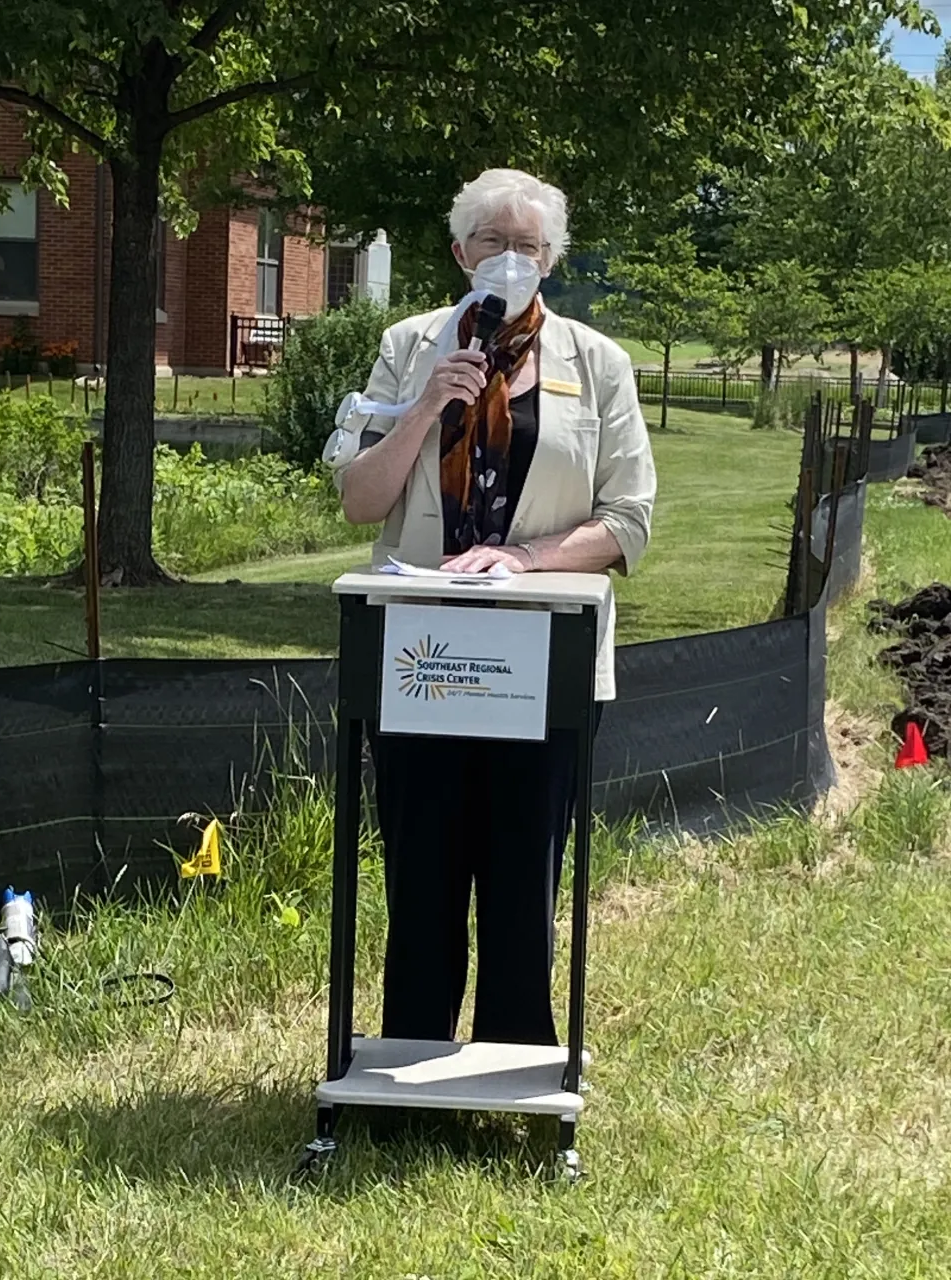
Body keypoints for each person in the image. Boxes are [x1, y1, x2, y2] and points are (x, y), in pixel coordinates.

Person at [326, 168, 656, 1047]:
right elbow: (361, 500)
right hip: (420, 658)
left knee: (522, 879)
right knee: (422, 874)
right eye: (492, 244)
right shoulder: (408, 345)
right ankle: (408, 1060)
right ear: (459, 252)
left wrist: (523, 559)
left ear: (551, 259)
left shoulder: (599, 363)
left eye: (528, 247)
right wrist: (429, 401)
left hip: (542, 660)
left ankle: (517, 1064)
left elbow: (629, 522)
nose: (510, 261)